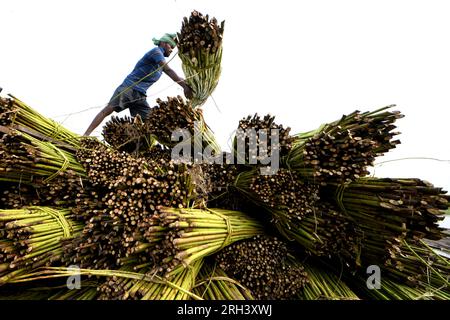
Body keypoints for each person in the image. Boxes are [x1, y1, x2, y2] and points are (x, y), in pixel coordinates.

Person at [83, 33, 193, 136]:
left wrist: (190, 83)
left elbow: (175, 75)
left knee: (151, 122)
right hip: (129, 88)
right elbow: (169, 70)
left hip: (140, 96)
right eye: (171, 46)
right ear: (163, 43)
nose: (171, 50)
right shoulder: (156, 52)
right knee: (108, 110)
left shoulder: (160, 63)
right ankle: (85, 135)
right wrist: (183, 87)